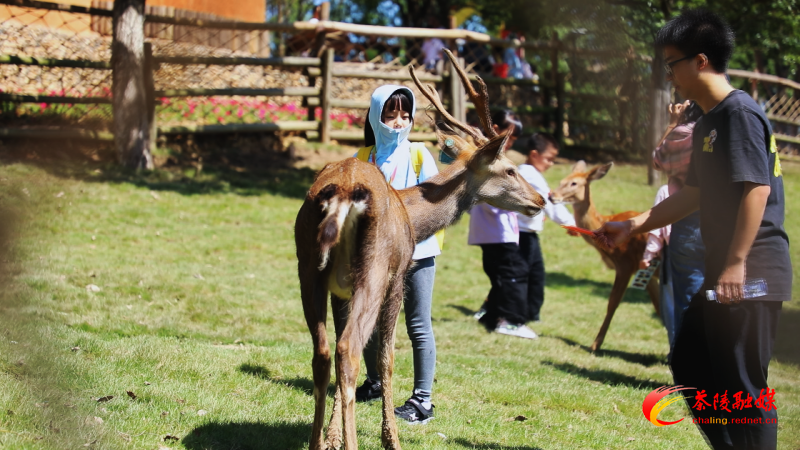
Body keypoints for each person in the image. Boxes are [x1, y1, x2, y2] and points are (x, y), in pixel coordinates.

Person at [599, 9, 790, 450]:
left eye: (672, 63)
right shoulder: (708, 121)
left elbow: (756, 191)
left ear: (700, 61)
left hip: (752, 268)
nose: (669, 75)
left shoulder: (738, 114)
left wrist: (736, 264)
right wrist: (635, 224)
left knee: (745, 385)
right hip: (725, 267)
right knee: (690, 360)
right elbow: (694, 195)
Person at [352, 85, 440, 425]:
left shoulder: (418, 154)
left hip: (418, 253)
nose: (399, 122)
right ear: (376, 117)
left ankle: (423, 401)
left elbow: (432, 205)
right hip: (374, 254)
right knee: (371, 320)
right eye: (390, 115)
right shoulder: (363, 157)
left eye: (405, 115)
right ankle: (375, 382)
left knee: (418, 324)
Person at [641, 100, 705, 354]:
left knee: (680, 305)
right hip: (721, 228)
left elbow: (659, 159)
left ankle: (684, 361)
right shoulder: (723, 129)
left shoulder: (686, 131)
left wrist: (673, 123)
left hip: (687, 232)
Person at [468, 110, 537, 339]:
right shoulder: (486, 158)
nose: (512, 142)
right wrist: (517, 204)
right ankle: (511, 321)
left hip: (496, 229)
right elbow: (486, 194)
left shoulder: (490, 156)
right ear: (495, 128)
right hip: (495, 229)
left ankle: (491, 316)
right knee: (514, 273)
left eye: (516, 139)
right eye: (510, 136)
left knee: (501, 274)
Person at [516, 133, 576, 323]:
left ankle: (530, 314)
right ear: (534, 154)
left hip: (529, 235)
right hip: (521, 235)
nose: (551, 163)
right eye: (548, 159)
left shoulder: (531, 174)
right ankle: (521, 314)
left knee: (535, 275)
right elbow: (548, 203)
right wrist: (570, 223)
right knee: (526, 277)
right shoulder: (528, 174)